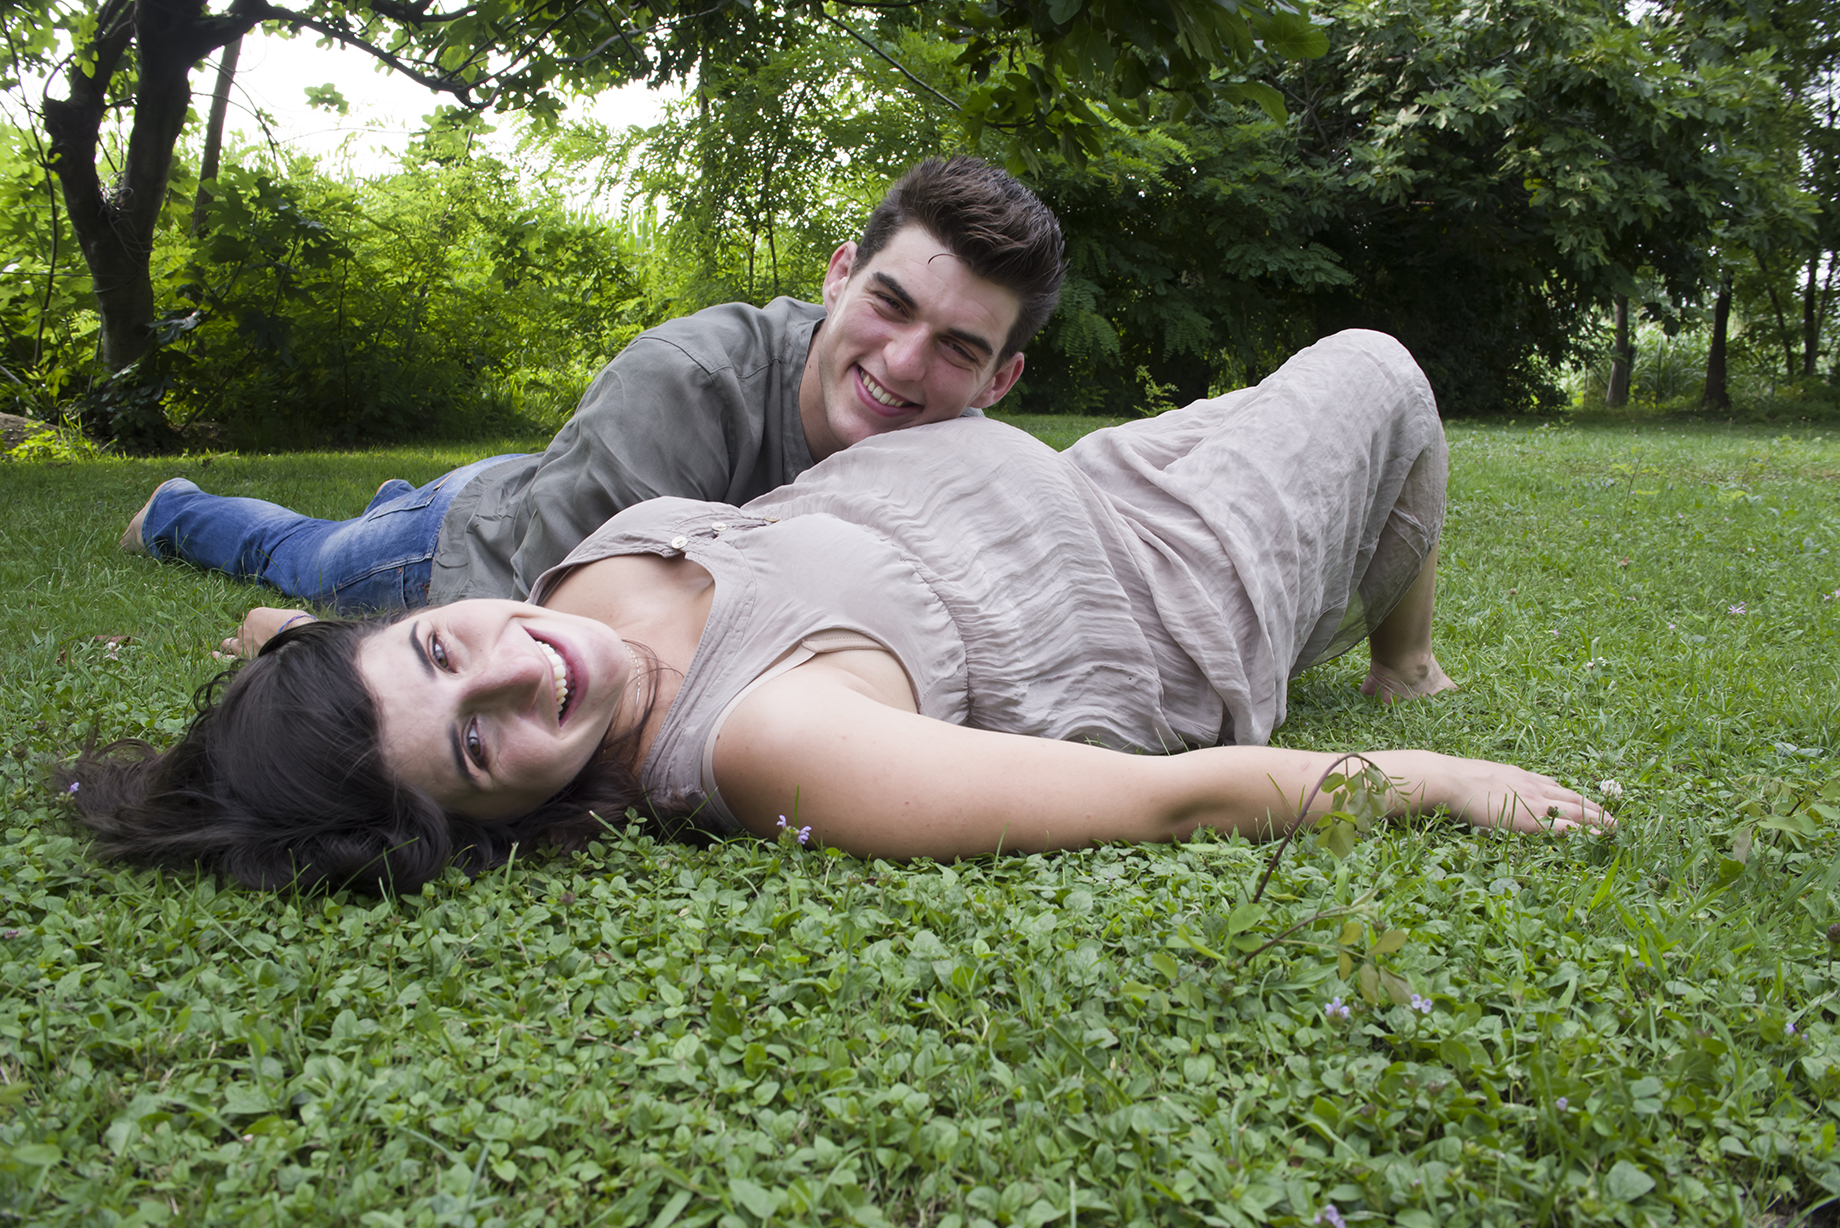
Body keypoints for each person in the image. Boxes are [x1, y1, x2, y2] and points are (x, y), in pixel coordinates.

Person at [67, 330, 1610, 893]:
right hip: (1168, 572)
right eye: (480, 751)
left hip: (1080, 475)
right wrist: (1448, 784)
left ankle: (241, 550)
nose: (518, 668)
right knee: (1379, 373)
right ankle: (1402, 665)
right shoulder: (775, 742)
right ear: (516, 821)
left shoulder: (531, 612)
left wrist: (301, 658)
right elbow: (1166, 804)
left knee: (360, 558)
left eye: (447, 651)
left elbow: (468, 635)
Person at [117, 156, 1062, 613]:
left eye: (954, 348)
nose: (902, 364)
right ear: (838, 274)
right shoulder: (687, 382)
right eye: (890, 304)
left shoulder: (969, 459)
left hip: (568, 484)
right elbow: (562, 633)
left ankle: (403, 500)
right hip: (483, 553)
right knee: (306, 559)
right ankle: (176, 509)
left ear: (1000, 379)